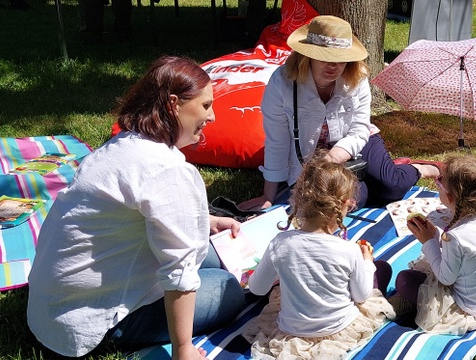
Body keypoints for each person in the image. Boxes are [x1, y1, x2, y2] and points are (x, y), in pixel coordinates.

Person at [27, 56, 247, 359]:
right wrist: (183, 348)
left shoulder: (124, 144)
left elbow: (139, 209)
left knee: (211, 253)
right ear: (174, 104)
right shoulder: (167, 169)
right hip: (89, 321)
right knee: (227, 289)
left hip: (51, 307)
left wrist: (205, 219)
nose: (212, 117)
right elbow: (179, 272)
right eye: (206, 106)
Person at [238, 15, 440, 211]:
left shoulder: (357, 78)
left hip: (359, 142)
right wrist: (268, 196)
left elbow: (359, 130)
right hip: (310, 157)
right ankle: (370, 178)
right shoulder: (282, 82)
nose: (334, 66)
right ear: (308, 55)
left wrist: (332, 158)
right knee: (342, 203)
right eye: (326, 58)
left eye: (341, 59)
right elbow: (277, 140)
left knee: (393, 186)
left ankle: (418, 168)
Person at [242, 154, 395, 359]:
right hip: (339, 328)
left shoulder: (280, 244)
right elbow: (361, 296)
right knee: (381, 269)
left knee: (280, 290)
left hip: (291, 330)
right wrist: (367, 262)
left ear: (299, 199)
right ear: (343, 205)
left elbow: (257, 288)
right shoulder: (348, 250)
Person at [391, 154, 476, 334]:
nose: (436, 185)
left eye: (439, 183)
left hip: (466, 308)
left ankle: (408, 305)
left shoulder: (456, 237)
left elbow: (445, 278)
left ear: (450, 197)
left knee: (405, 281)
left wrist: (428, 241)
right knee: (422, 269)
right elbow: (465, 255)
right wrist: (435, 235)